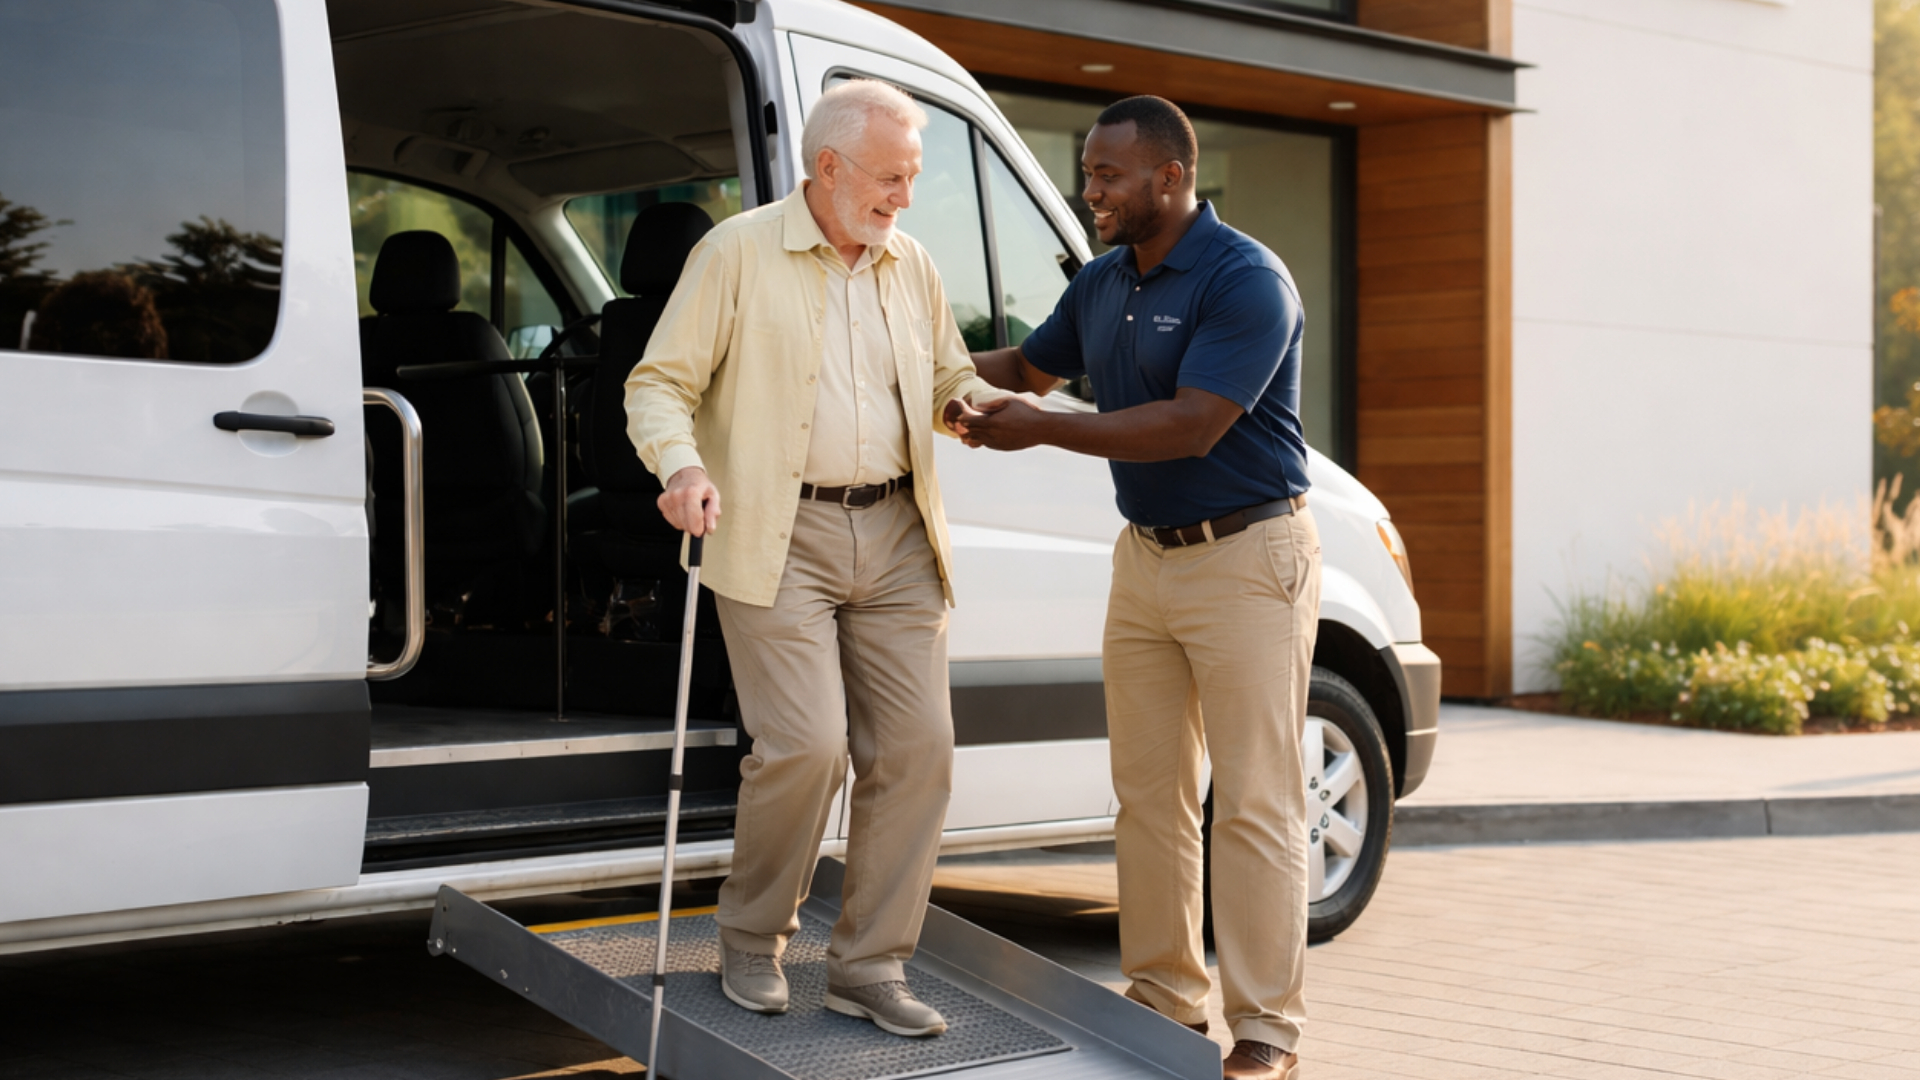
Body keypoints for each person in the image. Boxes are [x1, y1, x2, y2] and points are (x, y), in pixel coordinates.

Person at [623, 78, 1002, 1038]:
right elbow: (658, 382)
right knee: (807, 746)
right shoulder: (737, 252)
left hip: (899, 534)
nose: (904, 198)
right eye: (890, 177)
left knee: (919, 752)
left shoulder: (909, 263)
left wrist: (971, 405)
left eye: (912, 179)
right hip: (774, 531)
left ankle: (870, 966)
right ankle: (752, 939)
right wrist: (681, 466)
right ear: (827, 168)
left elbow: (948, 369)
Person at [960, 95, 1319, 1080]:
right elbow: (1027, 368)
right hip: (1146, 559)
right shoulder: (1107, 280)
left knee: (1254, 799)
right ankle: (1166, 998)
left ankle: (1268, 1032)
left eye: (1109, 175)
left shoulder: (1246, 281)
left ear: (1169, 176)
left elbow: (1190, 423)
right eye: (1088, 172)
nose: (1092, 191)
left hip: (1250, 558)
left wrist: (1040, 428)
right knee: (1148, 794)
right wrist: (920, 371)